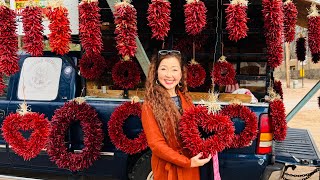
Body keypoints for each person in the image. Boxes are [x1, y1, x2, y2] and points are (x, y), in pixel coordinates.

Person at [141, 50, 212, 180]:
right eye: (163, 69)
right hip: (168, 169)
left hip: (190, 166)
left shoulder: (186, 99)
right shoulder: (149, 104)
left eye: (174, 69)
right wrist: (186, 162)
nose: (169, 75)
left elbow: (194, 132)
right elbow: (156, 144)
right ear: (156, 72)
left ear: (181, 73)